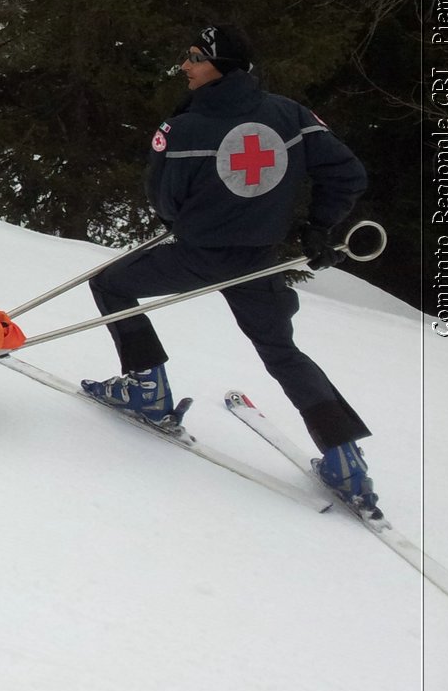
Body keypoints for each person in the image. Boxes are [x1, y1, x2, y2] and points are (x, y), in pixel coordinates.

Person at [82, 25, 377, 509]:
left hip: (197, 255)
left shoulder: (183, 128)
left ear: (223, 66)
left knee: (111, 285)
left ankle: (147, 390)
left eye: (195, 57)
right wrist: (318, 227)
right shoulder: (290, 115)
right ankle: (344, 456)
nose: (185, 65)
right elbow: (347, 173)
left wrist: (186, 220)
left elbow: (163, 197)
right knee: (281, 350)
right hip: (258, 261)